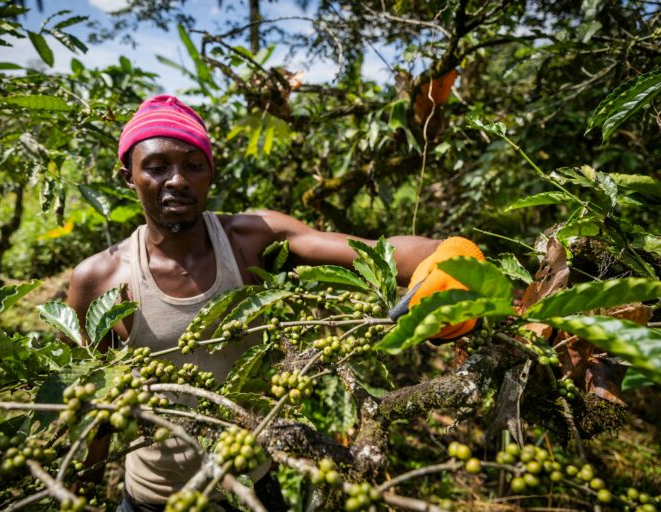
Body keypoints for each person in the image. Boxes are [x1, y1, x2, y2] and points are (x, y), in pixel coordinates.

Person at [67, 95, 484, 511]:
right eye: (157, 167)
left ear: (209, 175)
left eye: (194, 166)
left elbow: (377, 253)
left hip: (252, 484)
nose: (177, 180)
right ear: (128, 176)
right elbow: (98, 394)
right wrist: (85, 477)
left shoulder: (249, 240)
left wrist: (449, 257)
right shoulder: (99, 280)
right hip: (154, 497)